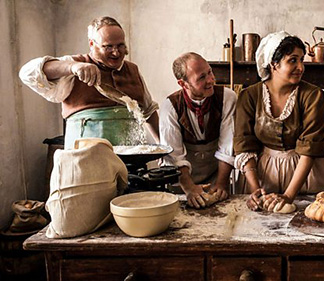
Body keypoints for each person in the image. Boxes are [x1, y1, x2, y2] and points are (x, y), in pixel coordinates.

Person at [234, 31, 324, 212]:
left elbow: (310, 148)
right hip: (264, 171)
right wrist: (255, 190)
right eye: (293, 60)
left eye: (302, 60)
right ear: (273, 63)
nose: (300, 67)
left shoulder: (313, 96)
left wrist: (288, 195)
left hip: (309, 171)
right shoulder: (249, 96)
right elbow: (244, 144)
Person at [19, 16, 160, 149]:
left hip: (130, 162)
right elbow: (27, 73)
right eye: (108, 47)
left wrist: (163, 148)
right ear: (92, 44)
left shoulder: (133, 70)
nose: (116, 53)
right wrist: (72, 67)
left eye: (120, 46)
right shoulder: (74, 65)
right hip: (85, 161)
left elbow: (148, 112)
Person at [160, 52, 236, 209]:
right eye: (201, 77)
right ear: (183, 84)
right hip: (183, 180)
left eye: (210, 72)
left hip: (217, 174)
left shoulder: (227, 98)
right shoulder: (170, 106)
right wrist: (189, 189)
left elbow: (228, 145)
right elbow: (174, 155)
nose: (210, 80)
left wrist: (221, 184)